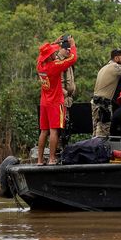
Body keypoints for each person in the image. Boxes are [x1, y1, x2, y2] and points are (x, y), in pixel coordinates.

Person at [36, 36, 78, 165]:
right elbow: (73, 58)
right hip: (55, 103)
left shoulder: (40, 65)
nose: (55, 53)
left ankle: (39, 160)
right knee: (54, 130)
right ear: (50, 57)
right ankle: (52, 158)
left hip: (44, 102)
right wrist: (73, 44)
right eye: (53, 53)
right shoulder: (54, 66)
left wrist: (55, 42)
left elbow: (42, 53)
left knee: (44, 131)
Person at [91, 49, 121, 138]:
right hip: (104, 104)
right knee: (104, 133)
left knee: (96, 130)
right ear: (116, 58)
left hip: (96, 102)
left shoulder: (104, 68)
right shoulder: (115, 67)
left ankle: (94, 150)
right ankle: (102, 150)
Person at [55, 40, 77, 147]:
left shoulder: (68, 60)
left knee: (67, 125)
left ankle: (65, 146)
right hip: (60, 98)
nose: (68, 51)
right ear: (60, 48)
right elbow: (54, 79)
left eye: (70, 49)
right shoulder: (56, 60)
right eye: (66, 49)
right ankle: (58, 148)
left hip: (68, 98)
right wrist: (61, 90)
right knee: (60, 125)